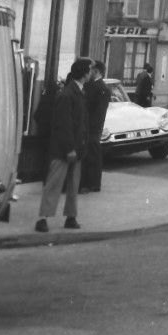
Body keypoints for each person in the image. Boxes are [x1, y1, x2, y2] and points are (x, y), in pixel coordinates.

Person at [36, 58, 91, 232]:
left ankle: (70, 216)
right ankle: (43, 219)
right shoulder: (67, 94)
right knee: (54, 184)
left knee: (72, 185)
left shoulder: (77, 92)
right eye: (89, 70)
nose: (91, 73)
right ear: (84, 73)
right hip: (65, 150)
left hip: (74, 148)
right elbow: (63, 125)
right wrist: (70, 148)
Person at [80, 60, 112, 192]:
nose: (89, 72)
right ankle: (91, 182)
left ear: (96, 71)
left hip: (92, 128)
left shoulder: (101, 88)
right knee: (91, 155)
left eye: (91, 70)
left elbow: (98, 112)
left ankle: (92, 183)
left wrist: (90, 126)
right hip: (91, 127)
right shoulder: (93, 86)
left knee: (92, 155)